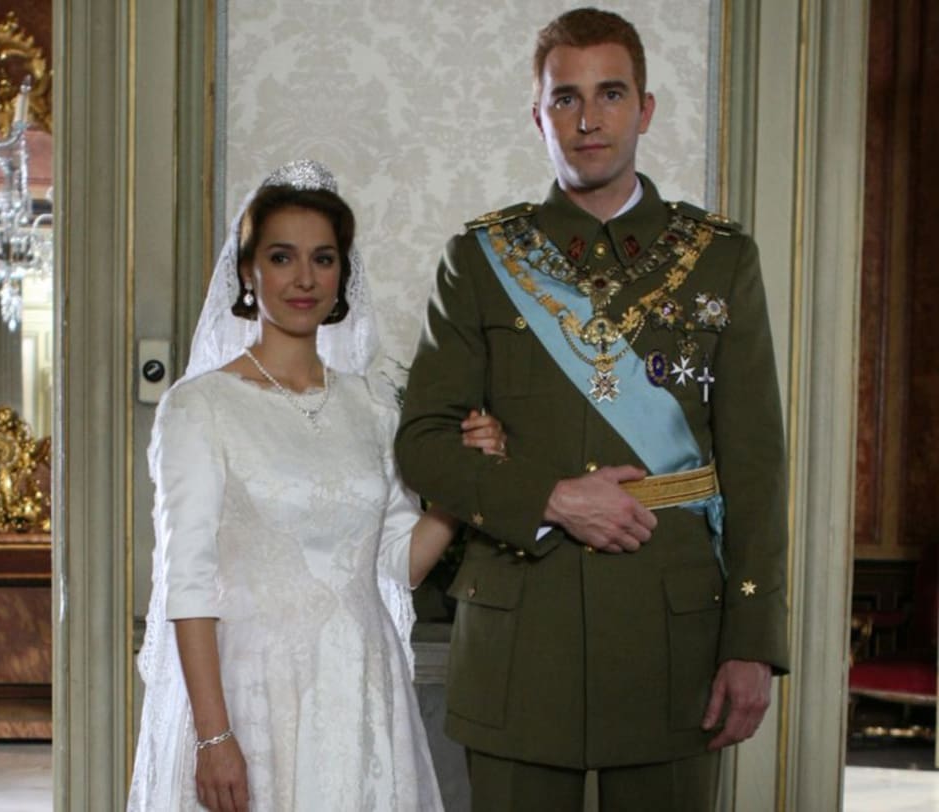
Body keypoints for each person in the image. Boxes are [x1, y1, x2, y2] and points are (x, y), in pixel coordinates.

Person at [394, 8, 789, 811]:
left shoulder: (720, 259)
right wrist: (550, 498)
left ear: (645, 109)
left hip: (673, 635)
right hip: (519, 628)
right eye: (565, 98)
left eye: (610, 94)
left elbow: (754, 462)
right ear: (538, 117)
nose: (587, 119)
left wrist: (752, 640)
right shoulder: (482, 261)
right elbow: (424, 442)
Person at [127, 160, 505, 812]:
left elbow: (400, 564)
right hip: (254, 693)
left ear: (341, 275)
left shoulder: (374, 407)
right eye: (282, 257)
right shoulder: (201, 407)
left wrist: (462, 483)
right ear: (249, 273)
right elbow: (187, 582)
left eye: (323, 259)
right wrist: (214, 736)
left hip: (362, 689)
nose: (304, 278)